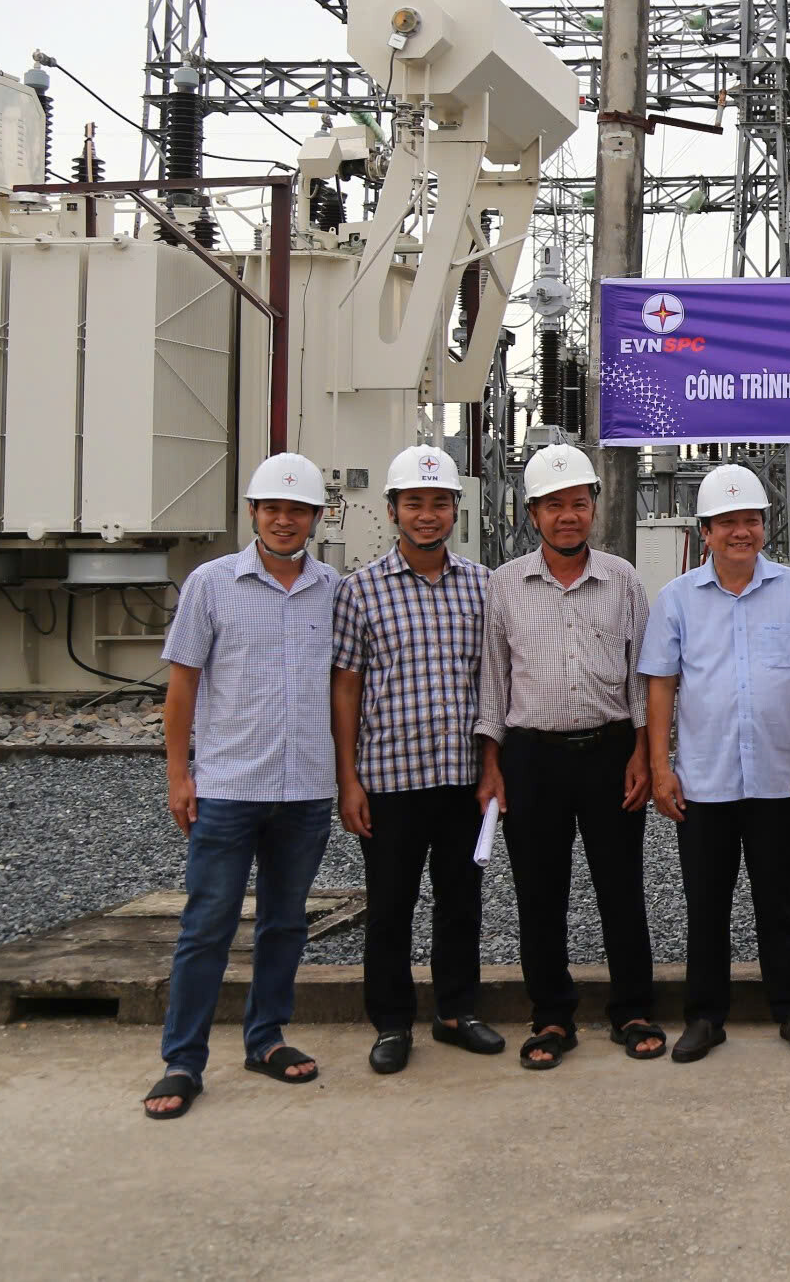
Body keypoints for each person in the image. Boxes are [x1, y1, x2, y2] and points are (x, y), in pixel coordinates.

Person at [142, 452, 340, 1120]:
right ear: (253, 512)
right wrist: (179, 773)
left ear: (316, 517)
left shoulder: (334, 590)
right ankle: (182, 1060)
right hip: (229, 785)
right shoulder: (211, 583)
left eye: (298, 510)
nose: (285, 520)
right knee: (208, 925)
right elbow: (182, 685)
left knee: (285, 923)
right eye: (272, 508)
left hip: (305, 788)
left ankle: (266, 1037)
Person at [644, 463, 790, 1063]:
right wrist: (660, 766)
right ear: (705, 531)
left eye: (750, 520)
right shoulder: (678, 599)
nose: (740, 532)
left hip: (778, 776)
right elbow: (661, 685)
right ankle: (705, 1017)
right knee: (706, 905)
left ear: (764, 526)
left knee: (778, 900)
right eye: (726, 522)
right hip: (704, 780)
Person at [475, 443, 658, 1070]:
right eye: (553, 506)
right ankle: (551, 1016)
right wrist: (492, 764)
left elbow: (642, 675)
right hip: (532, 757)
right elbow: (493, 682)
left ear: (593, 507)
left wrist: (644, 754)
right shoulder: (505, 584)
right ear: (533, 514)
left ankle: (633, 1009)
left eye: (578, 503)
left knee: (621, 886)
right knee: (539, 892)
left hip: (610, 752)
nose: (567, 516)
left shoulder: (622, 580)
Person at [330, 445, 502, 1076]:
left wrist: (492, 768)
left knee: (460, 901)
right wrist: (348, 779)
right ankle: (392, 1022)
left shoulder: (483, 587)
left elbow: (493, 685)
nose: (427, 515)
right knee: (390, 905)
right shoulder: (359, 591)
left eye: (439, 503)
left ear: (456, 509)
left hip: (461, 777)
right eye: (414, 503)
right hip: (389, 778)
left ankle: (456, 1012)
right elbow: (346, 686)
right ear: (392, 511)